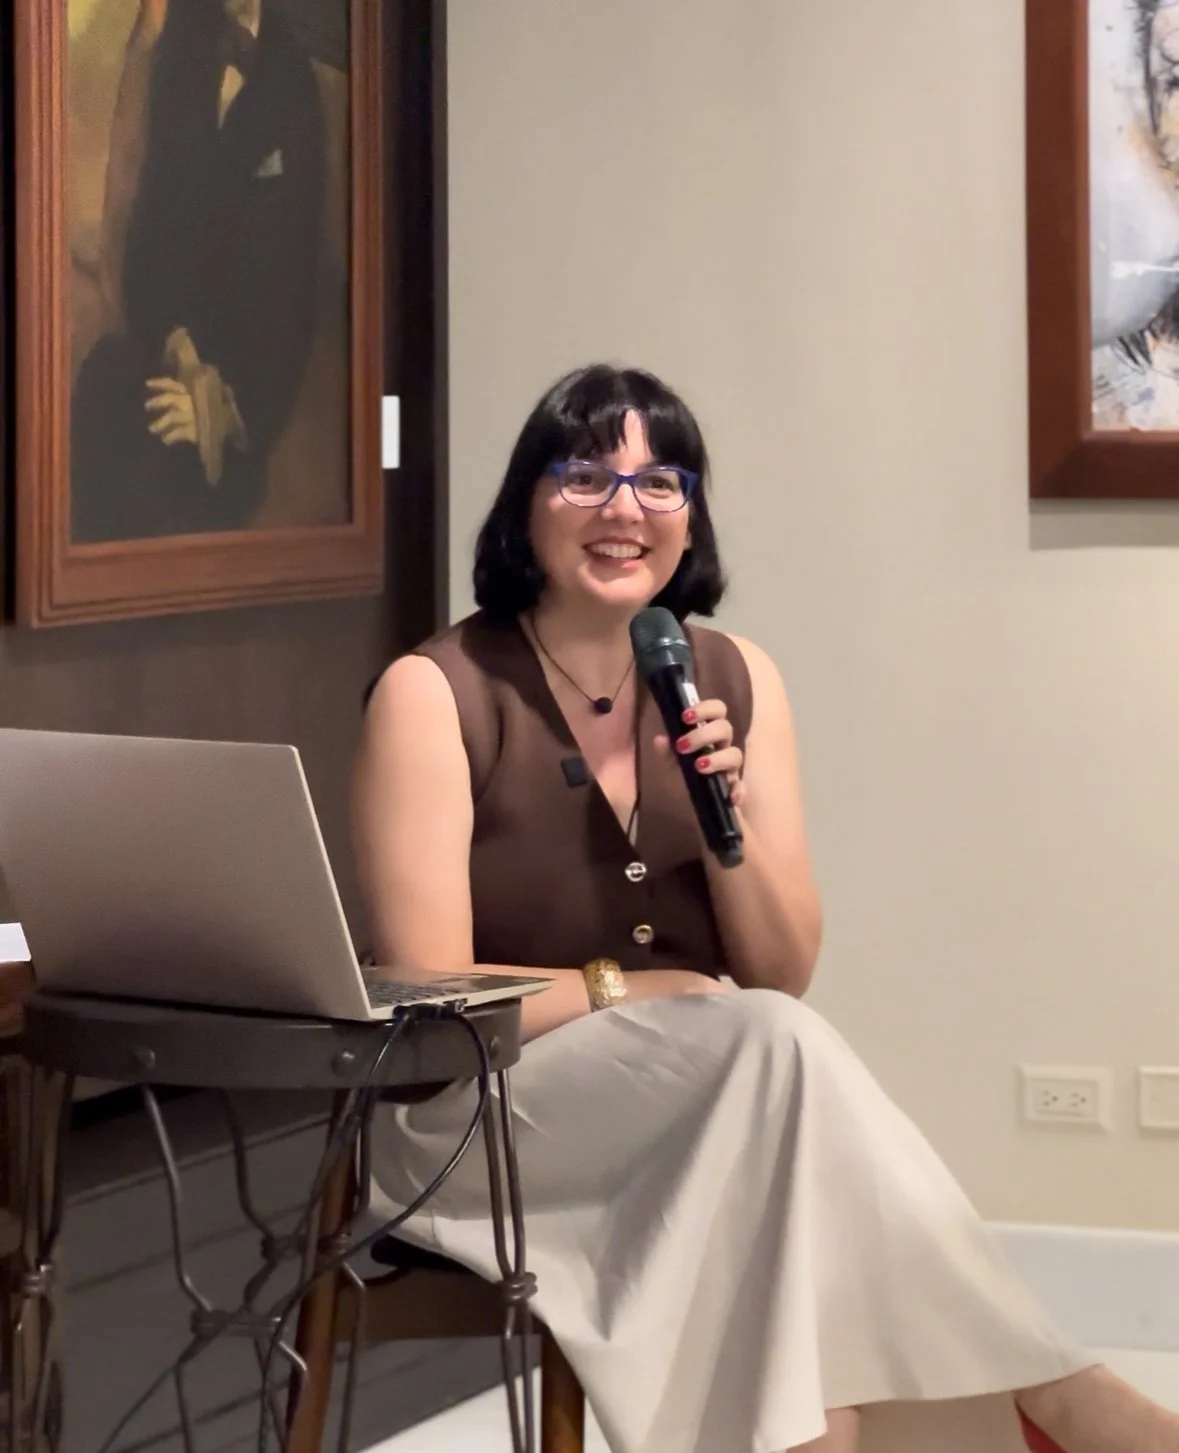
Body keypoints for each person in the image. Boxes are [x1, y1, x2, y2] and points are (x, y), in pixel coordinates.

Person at [351, 364, 1179, 1453]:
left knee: (771, 1075)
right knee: (771, 1057)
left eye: (660, 483)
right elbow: (428, 992)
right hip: (470, 1123)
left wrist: (722, 808)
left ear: (690, 517)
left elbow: (781, 966)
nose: (623, 510)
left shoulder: (733, 679)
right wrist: (628, 988)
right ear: (526, 505)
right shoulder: (436, 688)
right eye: (586, 476)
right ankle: (1059, 1395)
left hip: (704, 1105)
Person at [70, 0, 325, 542]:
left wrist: (225, 410)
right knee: (94, 397)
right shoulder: (179, 56)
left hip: (243, 396)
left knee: (155, 482)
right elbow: (151, 233)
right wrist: (179, 348)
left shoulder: (293, 84)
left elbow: (293, 291)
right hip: (167, 346)